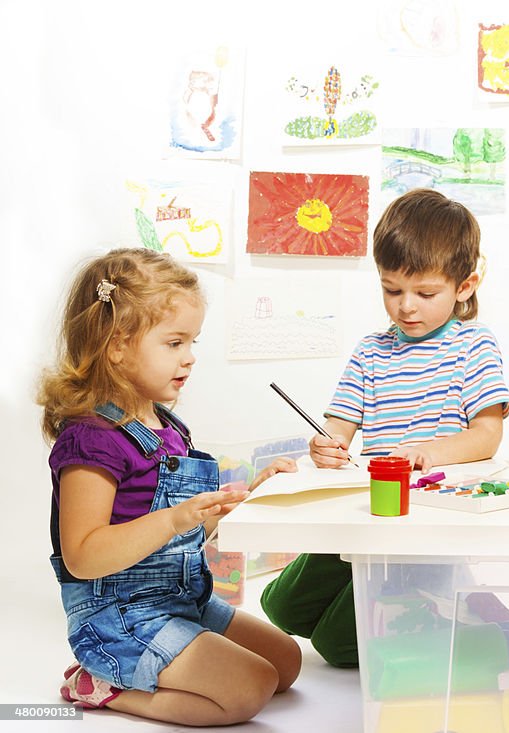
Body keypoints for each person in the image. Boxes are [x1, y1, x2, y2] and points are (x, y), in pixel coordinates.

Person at [38, 248, 301, 724]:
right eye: (174, 343)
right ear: (117, 345)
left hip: (181, 601)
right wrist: (173, 518)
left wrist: (251, 496)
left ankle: (164, 662)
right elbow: (82, 554)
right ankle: (99, 687)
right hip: (121, 619)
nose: (191, 357)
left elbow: (191, 532)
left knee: (286, 664)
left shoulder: (167, 426)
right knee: (250, 688)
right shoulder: (92, 440)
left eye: (192, 341)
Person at [261, 188, 509, 667]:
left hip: (423, 523)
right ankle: (443, 604)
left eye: (425, 292)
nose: (406, 308)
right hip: (365, 513)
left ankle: (469, 619)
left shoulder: (473, 346)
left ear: (465, 286)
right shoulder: (371, 351)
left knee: (336, 647)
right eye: (392, 289)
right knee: (280, 607)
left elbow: (487, 434)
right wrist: (324, 445)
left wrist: (431, 452)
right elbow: (335, 430)